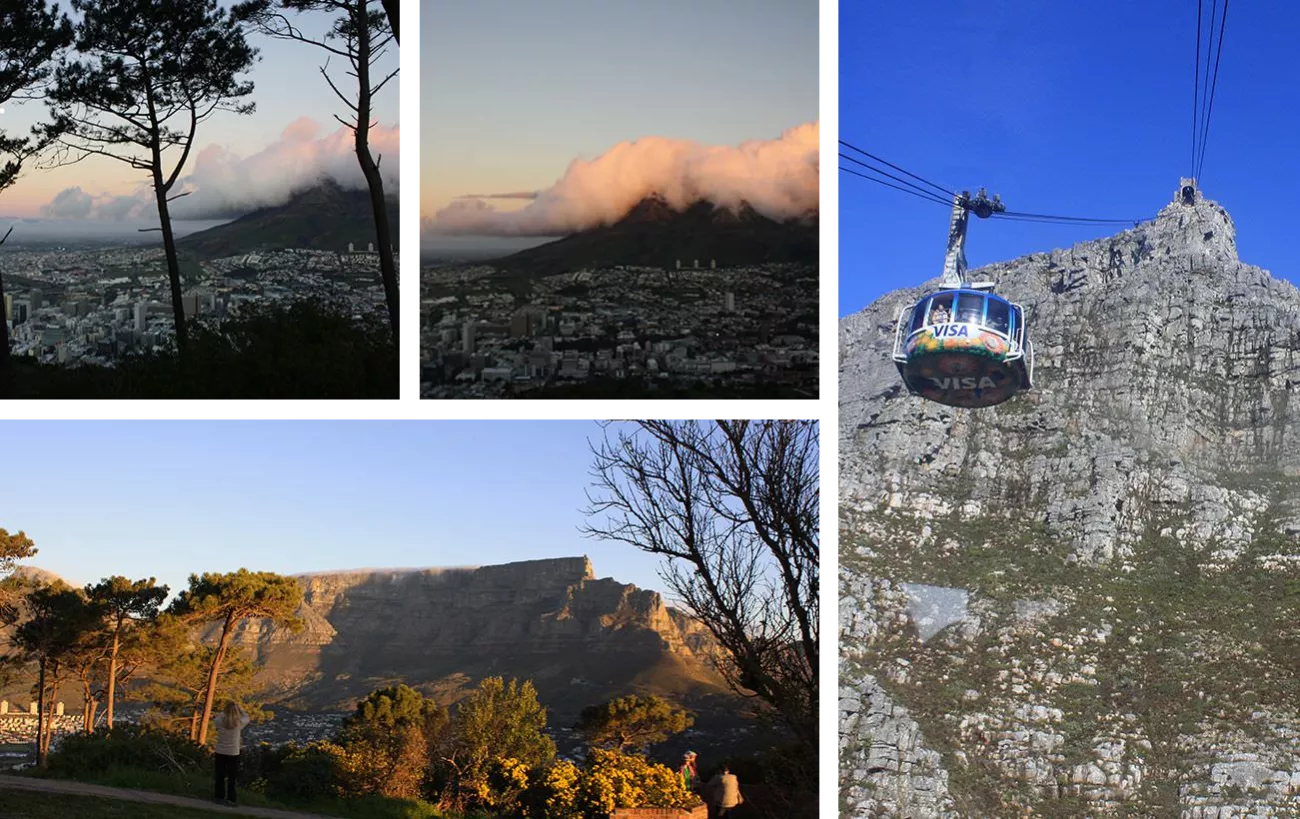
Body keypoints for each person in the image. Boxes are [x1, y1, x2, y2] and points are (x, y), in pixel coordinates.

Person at [213, 701, 249, 806]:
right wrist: (240, 709)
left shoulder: (219, 721)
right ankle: (231, 799)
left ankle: (219, 797)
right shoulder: (239, 723)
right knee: (231, 778)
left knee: (220, 775)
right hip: (233, 753)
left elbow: (218, 716)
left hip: (220, 751)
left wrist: (225, 711)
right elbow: (247, 716)